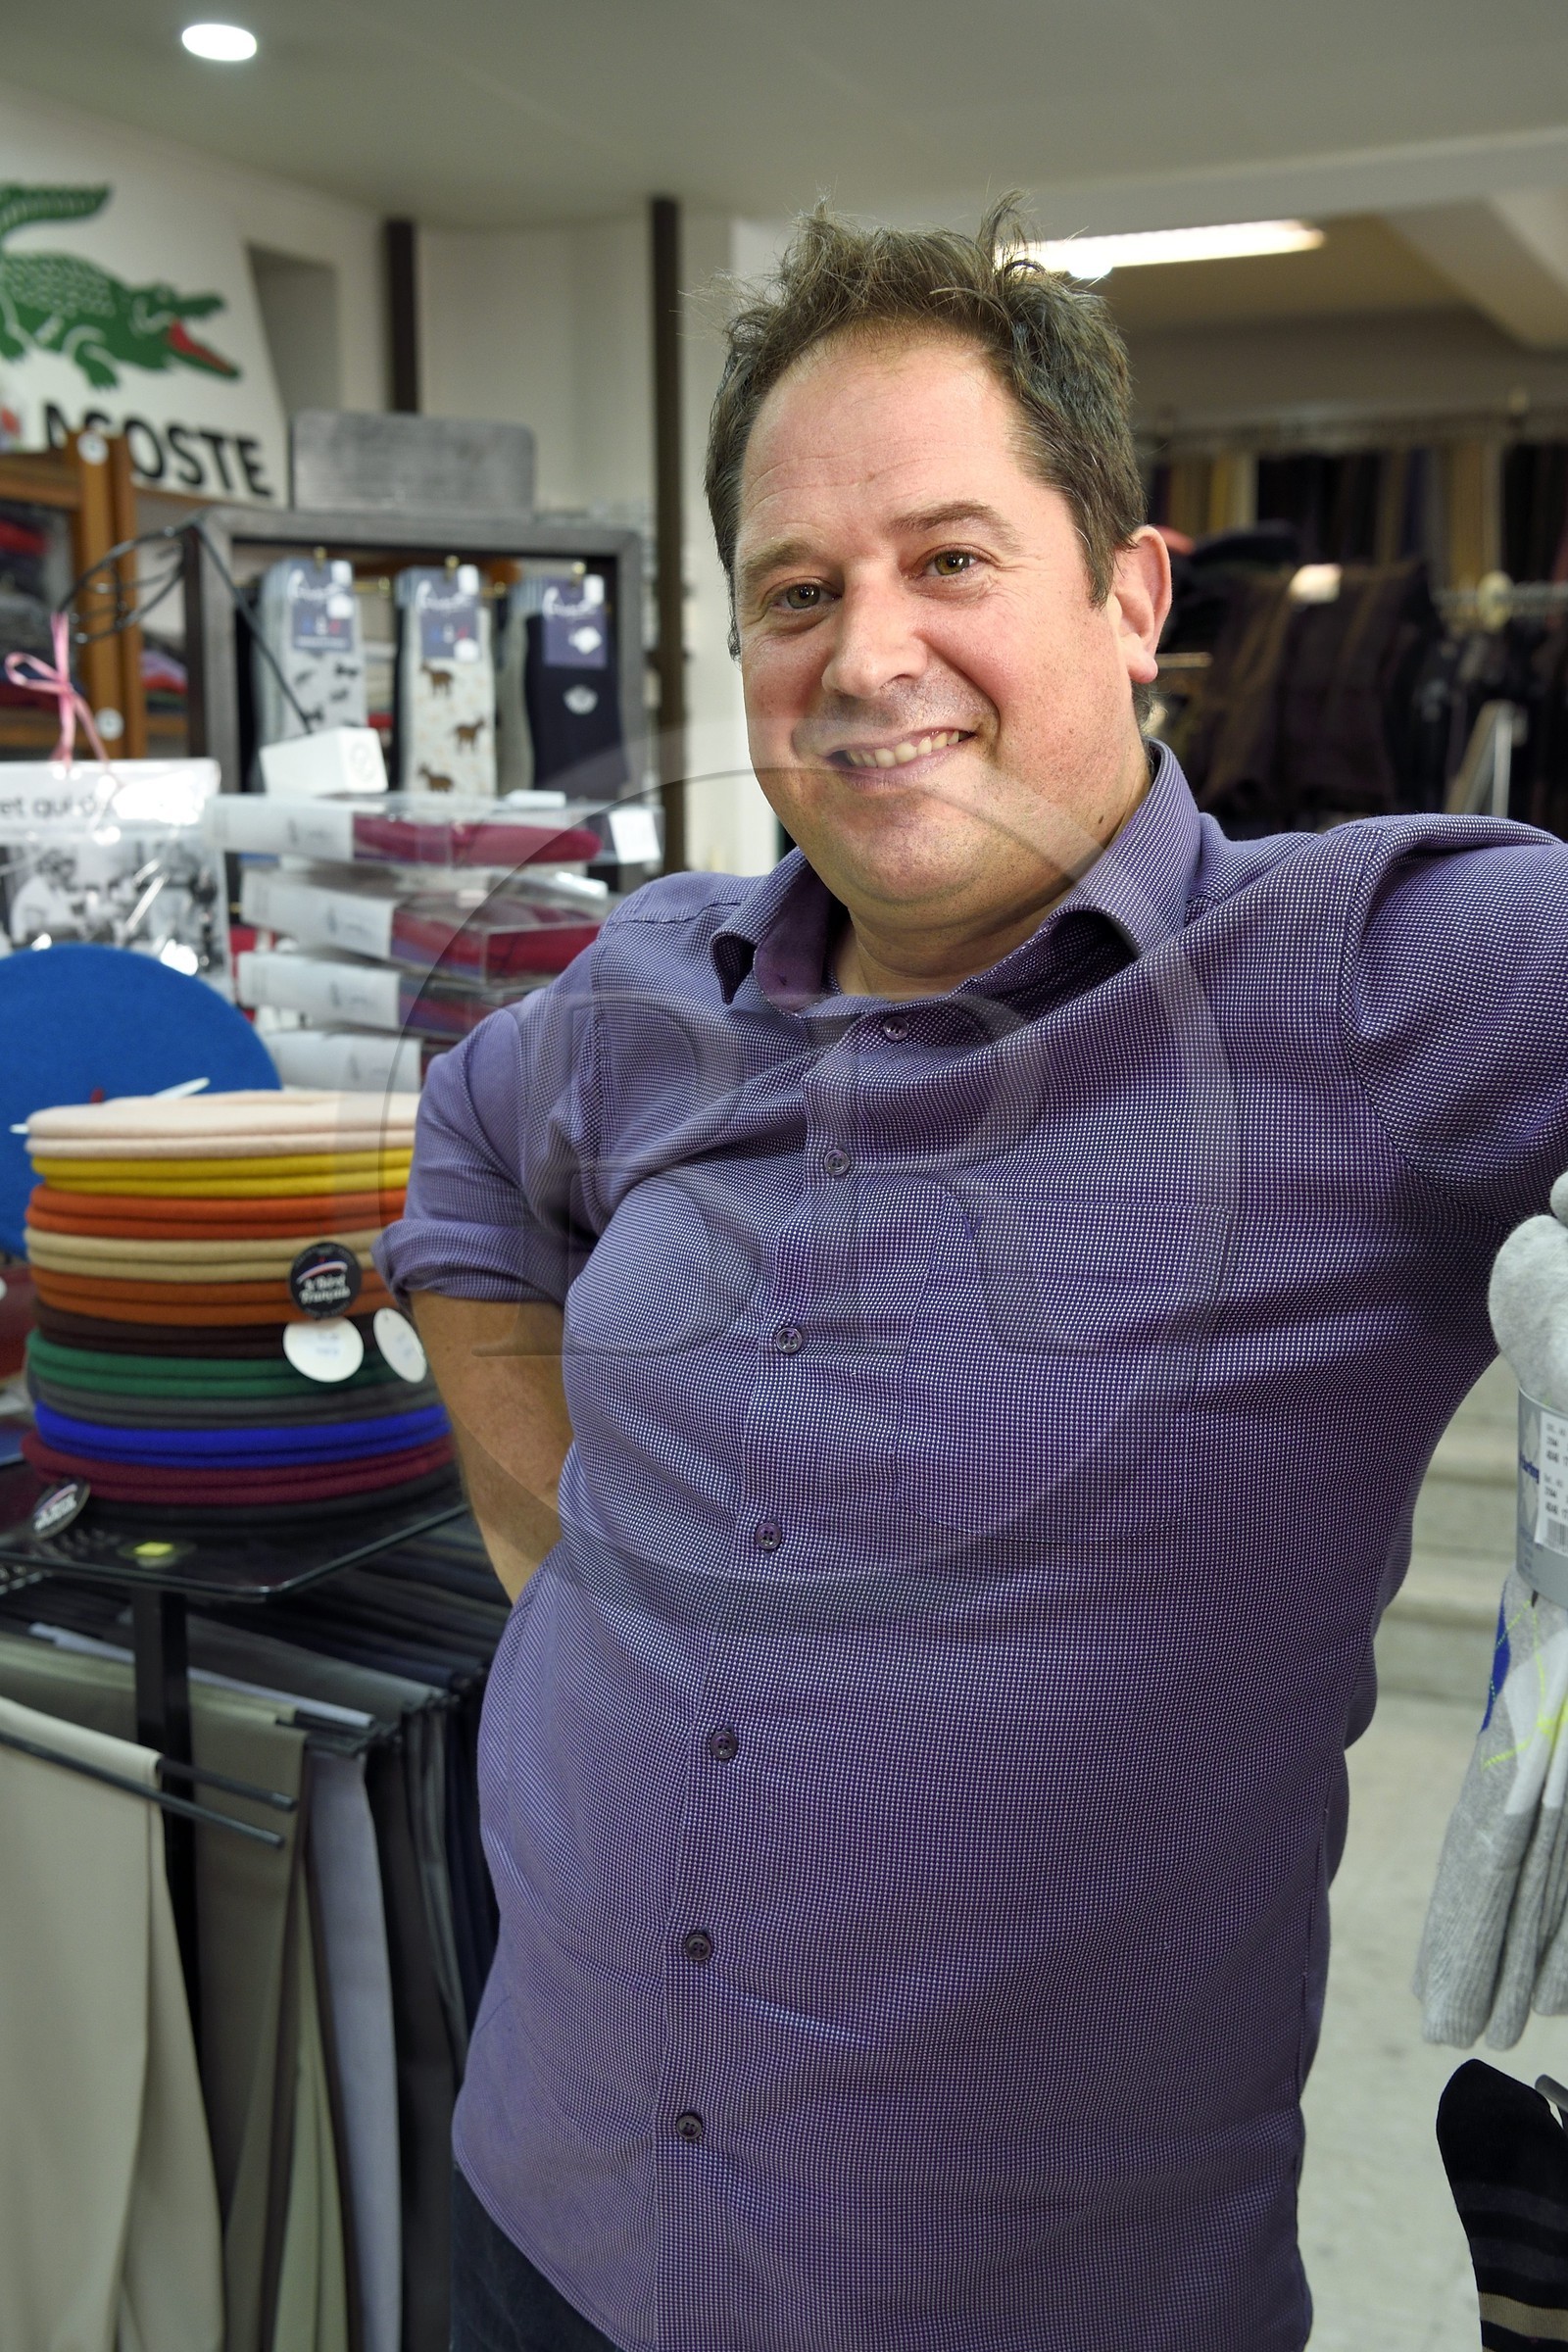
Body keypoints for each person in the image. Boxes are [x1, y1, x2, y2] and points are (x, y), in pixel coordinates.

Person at [377, 205, 1568, 2352]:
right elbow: (468, 1152)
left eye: (949, 558)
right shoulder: (655, 983)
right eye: (795, 591)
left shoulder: (1377, 984)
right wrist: (547, 1539)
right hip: (537, 2216)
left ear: (1130, 597)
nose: (866, 655)